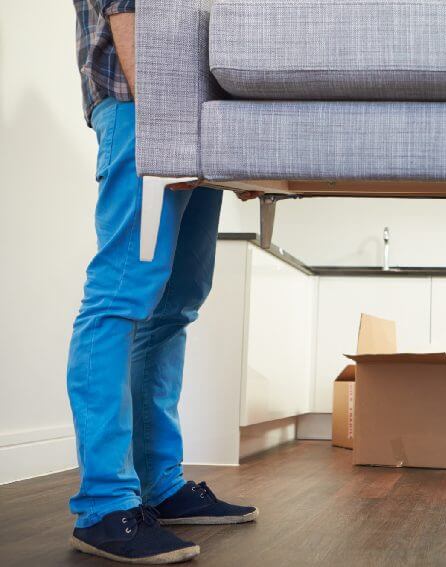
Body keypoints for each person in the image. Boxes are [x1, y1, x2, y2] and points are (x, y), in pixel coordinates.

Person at [69, 2, 259, 563]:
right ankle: (104, 505)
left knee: (176, 305)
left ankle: (162, 488)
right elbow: (126, 10)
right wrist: (164, 128)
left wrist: (237, 153)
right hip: (142, 113)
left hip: (191, 127)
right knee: (120, 298)